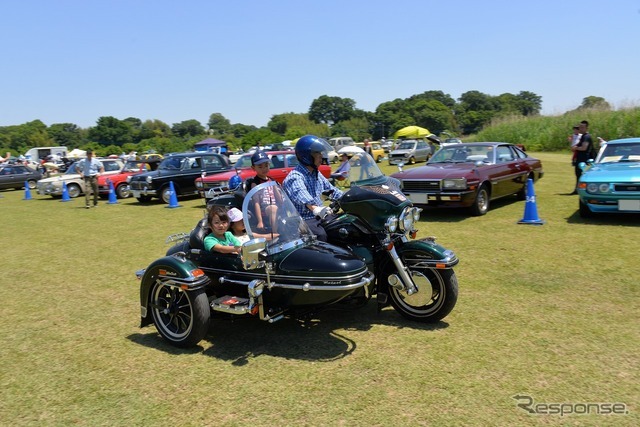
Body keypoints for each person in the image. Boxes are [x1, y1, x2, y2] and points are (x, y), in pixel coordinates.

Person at [282, 135, 344, 242]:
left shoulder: (316, 173)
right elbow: (301, 194)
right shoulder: (295, 177)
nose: (321, 156)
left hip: (319, 216)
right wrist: (316, 208)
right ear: (306, 156)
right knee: (320, 235)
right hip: (304, 219)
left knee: (342, 224)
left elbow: (332, 190)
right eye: (317, 153)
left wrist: (349, 197)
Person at [245, 151, 279, 231]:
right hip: (264, 209)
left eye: (266, 165)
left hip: (276, 206)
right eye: (260, 167)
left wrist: (275, 188)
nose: (264, 169)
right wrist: (260, 221)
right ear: (253, 168)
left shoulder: (272, 180)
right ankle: (275, 233)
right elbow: (256, 202)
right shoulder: (255, 183)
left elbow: (280, 199)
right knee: (273, 208)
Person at [570, 120, 593, 194]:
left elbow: (584, 148)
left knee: (580, 174)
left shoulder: (586, 136)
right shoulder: (583, 136)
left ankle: (579, 190)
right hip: (580, 158)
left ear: (587, 128)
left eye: (583, 127)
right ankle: (577, 189)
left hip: (583, 159)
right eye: (580, 127)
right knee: (578, 174)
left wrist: (575, 148)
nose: (580, 129)